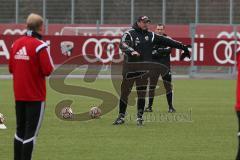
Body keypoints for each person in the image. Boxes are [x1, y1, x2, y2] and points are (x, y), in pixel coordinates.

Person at [113, 16, 191, 126]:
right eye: (144, 22)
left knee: (141, 94)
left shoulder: (151, 35)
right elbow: (123, 44)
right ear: (138, 22)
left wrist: (183, 47)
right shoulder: (130, 33)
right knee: (125, 93)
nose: (146, 24)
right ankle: (121, 117)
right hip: (130, 69)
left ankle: (139, 118)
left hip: (144, 70)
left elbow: (168, 41)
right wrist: (131, 51)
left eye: (148, 22)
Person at [9, 13, 54, 160]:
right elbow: (48, 70)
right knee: (31, 133)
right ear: (41, 27)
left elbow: (11, 68)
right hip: (35, 96)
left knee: (19, 131)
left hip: (19, 95)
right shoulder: (40, 46)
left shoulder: (16, 44)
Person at [145, 24, 179, 113]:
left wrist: (157, 51)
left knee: (168, 87)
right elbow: (150, 52)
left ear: (164, 30)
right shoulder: (152, 38)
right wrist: (160, 51)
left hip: (165, 67)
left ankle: (171, 107)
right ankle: (149, 107)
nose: (159, 31)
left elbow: (168, 50)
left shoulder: (168, 39)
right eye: (158, 29)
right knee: (152, 86)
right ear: (156, 30)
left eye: (161, 29)